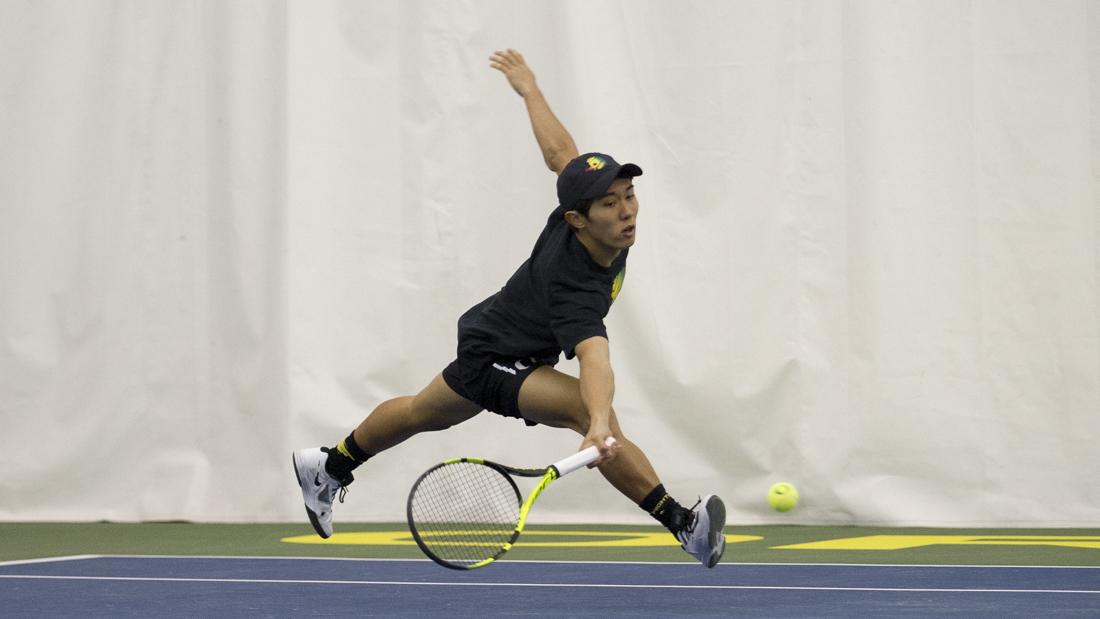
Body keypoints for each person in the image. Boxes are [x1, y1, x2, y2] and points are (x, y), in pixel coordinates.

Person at [292, 49, 727, 568]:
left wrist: (530, 89)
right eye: (609, 203)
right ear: (577, 219)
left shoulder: (586, 220)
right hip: (498, 357)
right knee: (595, 416)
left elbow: (560, 152)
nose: (626, 210)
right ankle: (685, 526)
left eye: (629, 194)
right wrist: (593, 423)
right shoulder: (575, 286)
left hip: (494, 336)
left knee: (419, 413)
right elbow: (594, 357)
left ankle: (329, 463)